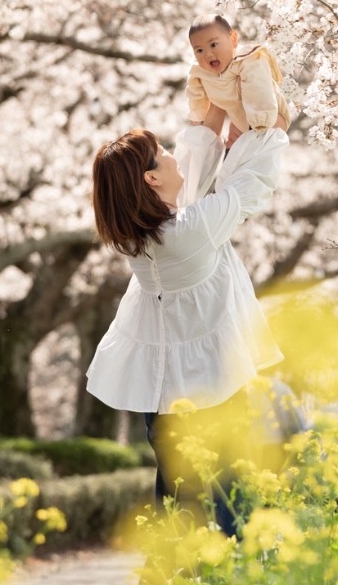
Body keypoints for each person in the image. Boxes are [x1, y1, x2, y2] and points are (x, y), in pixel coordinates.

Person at [86, 122, 290, 542]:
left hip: (163, 399)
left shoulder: (139, 240)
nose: (173, 153)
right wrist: (267, 130)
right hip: (208, 392)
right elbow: (252, 186)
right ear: (151, 178)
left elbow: (192, 173)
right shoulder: (190, 232)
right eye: (163, 151)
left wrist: (215, 110)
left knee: (178, 508)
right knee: (224, 510)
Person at [186, 14, 293, 147]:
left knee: (256, 147)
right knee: (232, 143)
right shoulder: (200, 72)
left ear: (233, 39)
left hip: (270, 115)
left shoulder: (248, 60)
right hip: (239, 119)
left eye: (213, 45)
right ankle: (224, 153)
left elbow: (258, 89)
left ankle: (254, 144)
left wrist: (260, 121)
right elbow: (195, 92)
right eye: (199, 50)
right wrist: (197, 116)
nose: (208, 54)